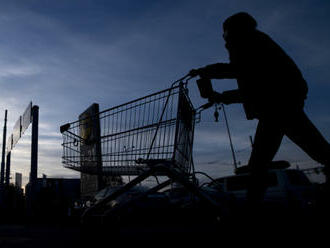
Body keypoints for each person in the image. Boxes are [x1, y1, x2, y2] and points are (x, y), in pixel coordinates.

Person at [190, 12, 330, 205]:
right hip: (280, 105)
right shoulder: (256, 44)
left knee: (260, 163)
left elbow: (245, 76)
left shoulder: (252, 44)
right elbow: (254, 87)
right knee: (315, 152)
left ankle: (251, 210)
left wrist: (207, 72)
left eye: (226, 34)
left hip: (279, 107)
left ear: (235, 30)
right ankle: (252, 208)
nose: (225, 39)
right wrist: (222, 95)